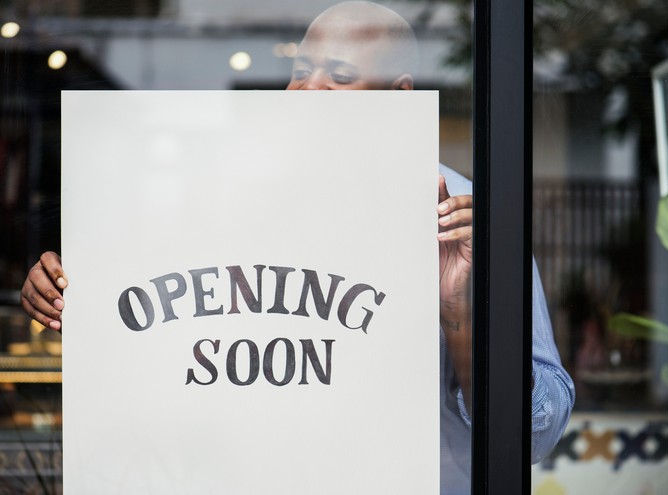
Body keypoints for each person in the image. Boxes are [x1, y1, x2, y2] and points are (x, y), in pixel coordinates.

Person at [20, 1, 573, 492]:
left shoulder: (463, 220)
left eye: (340, 75)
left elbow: (534, 434)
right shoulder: (228, 202)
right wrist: (76, 294)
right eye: (299, 71)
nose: (308, 90)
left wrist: (459, 313)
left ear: (399, 96)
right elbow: (175, 335)